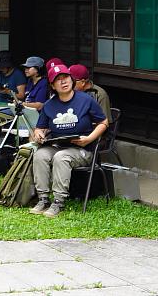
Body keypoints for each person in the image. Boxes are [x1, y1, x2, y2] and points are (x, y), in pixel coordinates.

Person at [30, 64, 108, 218]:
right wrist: (38, 134)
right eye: (58, 80)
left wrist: (90, 139)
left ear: (72, 80)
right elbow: (39, 128)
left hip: (82, 149)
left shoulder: (86, 100)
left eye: (65, 77)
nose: (63, 82)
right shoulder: (49, 105)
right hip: (58, 145)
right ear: (52, 85)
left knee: (61, 157)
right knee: (40, 154)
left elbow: (104, 122)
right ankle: (43, 198)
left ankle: (59, 201)